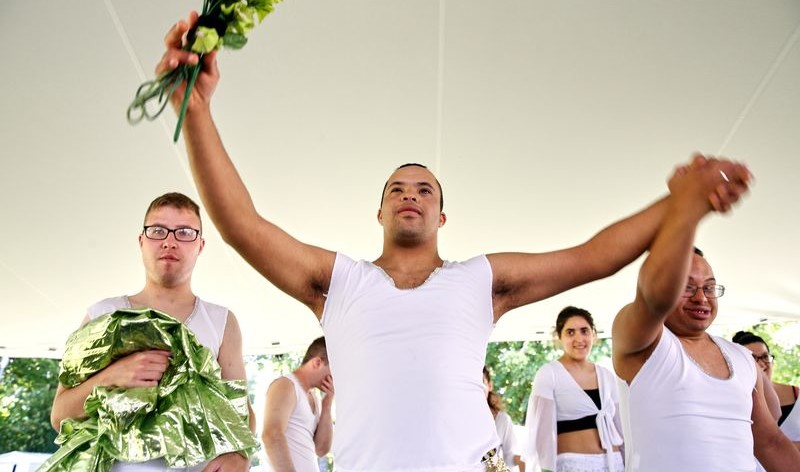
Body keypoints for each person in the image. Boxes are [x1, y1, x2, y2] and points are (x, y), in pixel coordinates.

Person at [156, 12, 751, 471]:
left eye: (424, 189)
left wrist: (683, 201)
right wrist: (195, 107)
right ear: (380, 209)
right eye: (397, 188)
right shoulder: (337, 281)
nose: (410, 194)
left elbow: (592, 257)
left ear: (442, 216)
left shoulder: (481, 280)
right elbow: (241, 225)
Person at [611, 159, 800, 471]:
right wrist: (688, 207)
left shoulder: (740, 356)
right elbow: (653, 295)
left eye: (710, 287)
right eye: (686, 287)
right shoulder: (643, 343)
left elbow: (769, 441)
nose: (701, 297)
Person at [50, 192, 255, 472]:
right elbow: (59, 415)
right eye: (158, 230)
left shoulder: (222, 321)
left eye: (184, 232)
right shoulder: (102, 314)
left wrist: (241, 456)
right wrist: (113, 377)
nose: (169, 241)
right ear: (141, 241)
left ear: (200, 246)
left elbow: (241, 410)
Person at [525, 306, 623, 472]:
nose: (579, 338)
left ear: (594, 335)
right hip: (573, 465)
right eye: (570, 332)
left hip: (615, 463)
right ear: (559, 337)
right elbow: (541, 433)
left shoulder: (607, 376)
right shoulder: (549, 374)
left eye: (584, 331)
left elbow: (620, 426)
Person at [262, 336, 334, 472]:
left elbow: (321, 449)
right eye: (332, 371)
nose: (334, 377)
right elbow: (271, 435)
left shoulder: (314, 397)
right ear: (317, 362)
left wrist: (328, 403)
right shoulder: (286, 385)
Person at [733, 331, 800, 451]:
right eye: (752, 359)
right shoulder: (735, 402)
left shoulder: (797, 395)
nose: (761, 364)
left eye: (765, 357)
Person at [483, 367, 525, 472]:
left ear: (490, 385)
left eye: (481, 382)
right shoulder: (457, 418)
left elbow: (509, 457)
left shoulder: (502, 420)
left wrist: (522, 460)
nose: (477, 387)